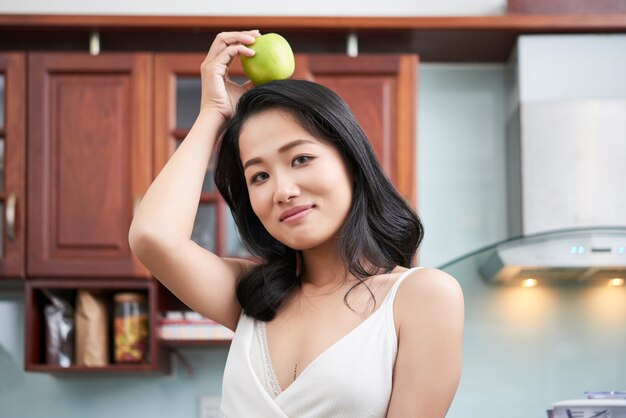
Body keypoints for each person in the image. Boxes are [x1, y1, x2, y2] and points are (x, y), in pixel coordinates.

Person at [129, 30, 464, 417]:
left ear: (351, 163)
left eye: (300, 159)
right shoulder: (253, 296)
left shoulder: (421, 297)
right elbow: (151, 236)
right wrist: (212, 114)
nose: (282, 191)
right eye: (259, 176)